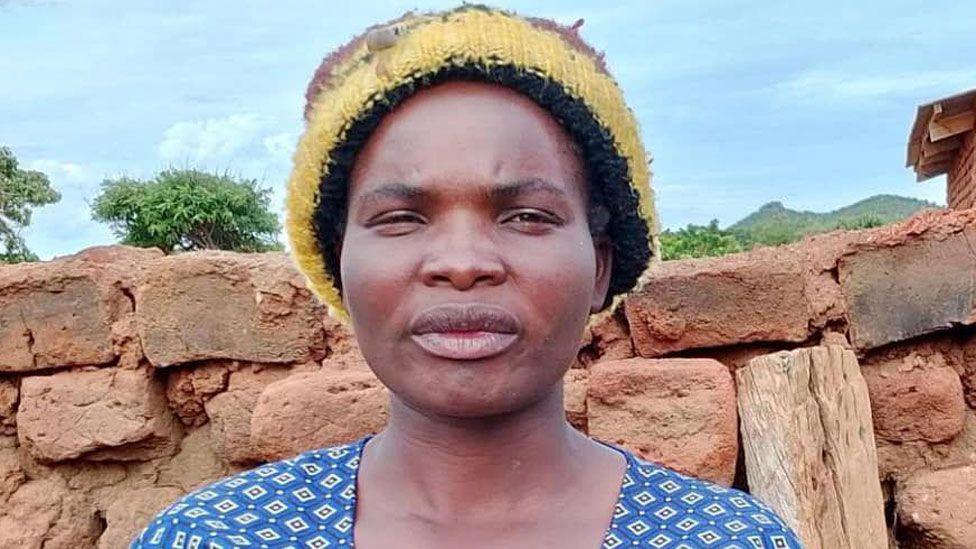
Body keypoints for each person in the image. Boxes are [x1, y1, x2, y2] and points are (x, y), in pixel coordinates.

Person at [132, 6, 801, 548]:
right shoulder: (214, 535)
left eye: (527, 215)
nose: (462, 261)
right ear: (338, 262)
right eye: (400, 217)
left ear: (600, 266)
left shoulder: (726, 539)